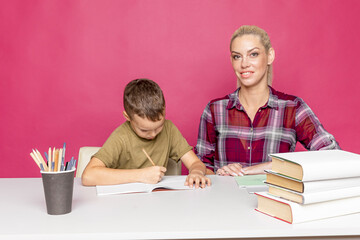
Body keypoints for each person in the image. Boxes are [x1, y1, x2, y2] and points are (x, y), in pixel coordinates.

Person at [195, 25, 340, 177]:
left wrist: (266, 167)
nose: (244, 64)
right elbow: (200, 166)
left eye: (253, 54)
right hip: (226, 199)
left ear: (270, 56)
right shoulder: (214, 110)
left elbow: (332, 155)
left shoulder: (292, 108)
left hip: (276, 199)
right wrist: (219, 174)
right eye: (237, 56)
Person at [82, 78, 211, 188]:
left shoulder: (169, 129)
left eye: (159, 126)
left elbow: (195, 163)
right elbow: (88, 176)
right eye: (144, 130)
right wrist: (141, 175)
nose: (153, 134)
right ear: (127, 117)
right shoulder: (121, 137)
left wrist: (196, 172)